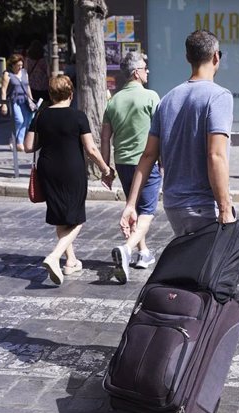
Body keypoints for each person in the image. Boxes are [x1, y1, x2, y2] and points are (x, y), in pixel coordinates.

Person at [118, 30, 234, 251]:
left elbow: (149, 155)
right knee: (211, 275)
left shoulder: (168, 99)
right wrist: (225, 208)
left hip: (174, 205)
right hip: (204, 205)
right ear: (216, 57)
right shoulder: (219, 96)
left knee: (193, 271)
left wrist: (131, 204)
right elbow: (216, 155)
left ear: (187, 58)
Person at [24, 75, 114, 286]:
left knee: (61, 216)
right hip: (71, 170)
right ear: (71, 94)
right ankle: (54, 256)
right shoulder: (78, 116)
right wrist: (105, 168)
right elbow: (91, 148)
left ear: (51, 95)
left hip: (48, 169)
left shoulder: (41, 116)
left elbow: (28, 146)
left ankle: (70, 261)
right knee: (77, 218)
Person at [101, 51, 161, 283]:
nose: (148, 71)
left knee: (132, 207)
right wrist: (164, 161)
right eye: (145, 68)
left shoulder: (113, 101)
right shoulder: (151, 97)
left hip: (123, 162)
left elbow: (105, 138)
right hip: (145, 161)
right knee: (147, 212)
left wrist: (106, 169)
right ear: (136, 72)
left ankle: (143, 253)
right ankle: (126, 249)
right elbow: (161, 133)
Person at [1, 54, 36, 151]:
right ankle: (13, 139)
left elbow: (27, 86)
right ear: (12, 65)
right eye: (18, 65)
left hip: (25, 100)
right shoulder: (7, 74)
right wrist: (4, 104)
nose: (20, 67)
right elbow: (3, 90)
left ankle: (20, 143)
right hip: (14, 100)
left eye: (21, 65)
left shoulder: (24, 72)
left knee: (25, 121)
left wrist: (31, 99)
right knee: (19, 120)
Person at [26, 40, 50, 104]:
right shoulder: (43, 60)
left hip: (32, 84)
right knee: (44, 103)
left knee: (34, 102)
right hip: (43, 85)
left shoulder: (28, 60)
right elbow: (47, 72)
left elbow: (27, 71)